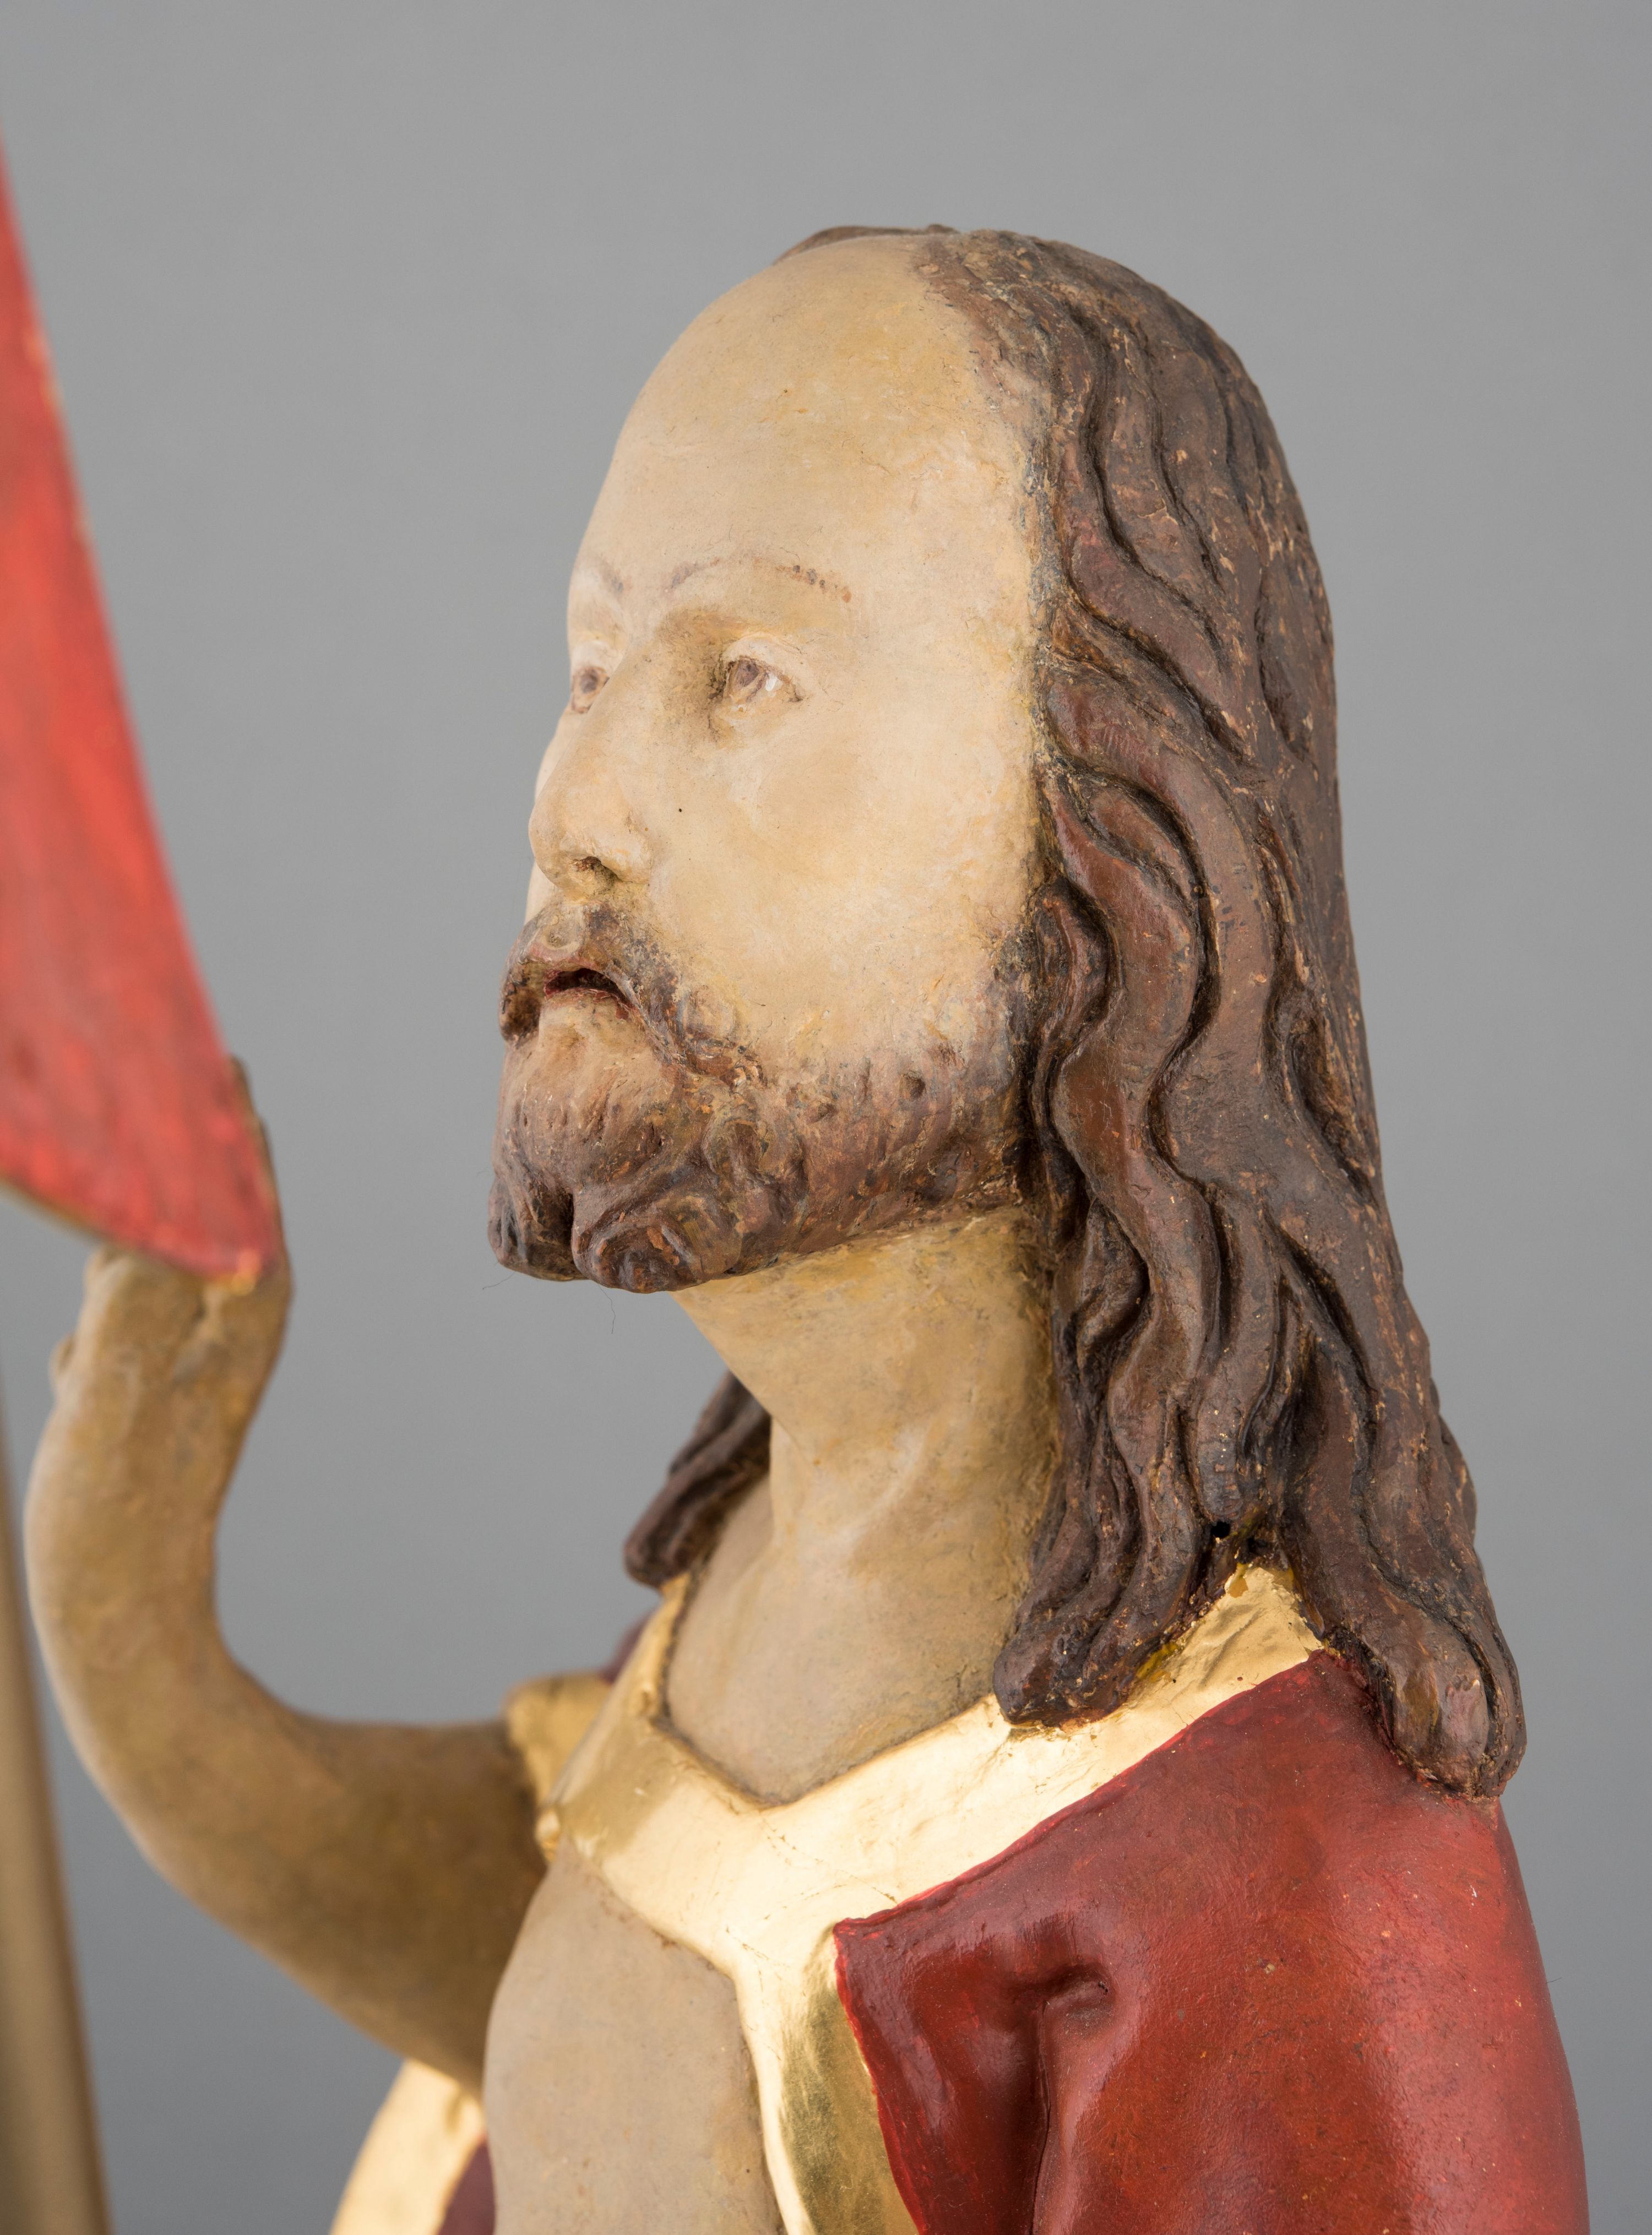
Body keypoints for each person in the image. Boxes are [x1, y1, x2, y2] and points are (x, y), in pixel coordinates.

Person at [27, 227, 1587, 2234]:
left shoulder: (1285, 1874)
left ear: (1107, 843)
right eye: (591, 672)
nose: (574, 803)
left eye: (742, 678)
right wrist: (142, 1657)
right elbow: (606, 1967)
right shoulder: (774, 1568)